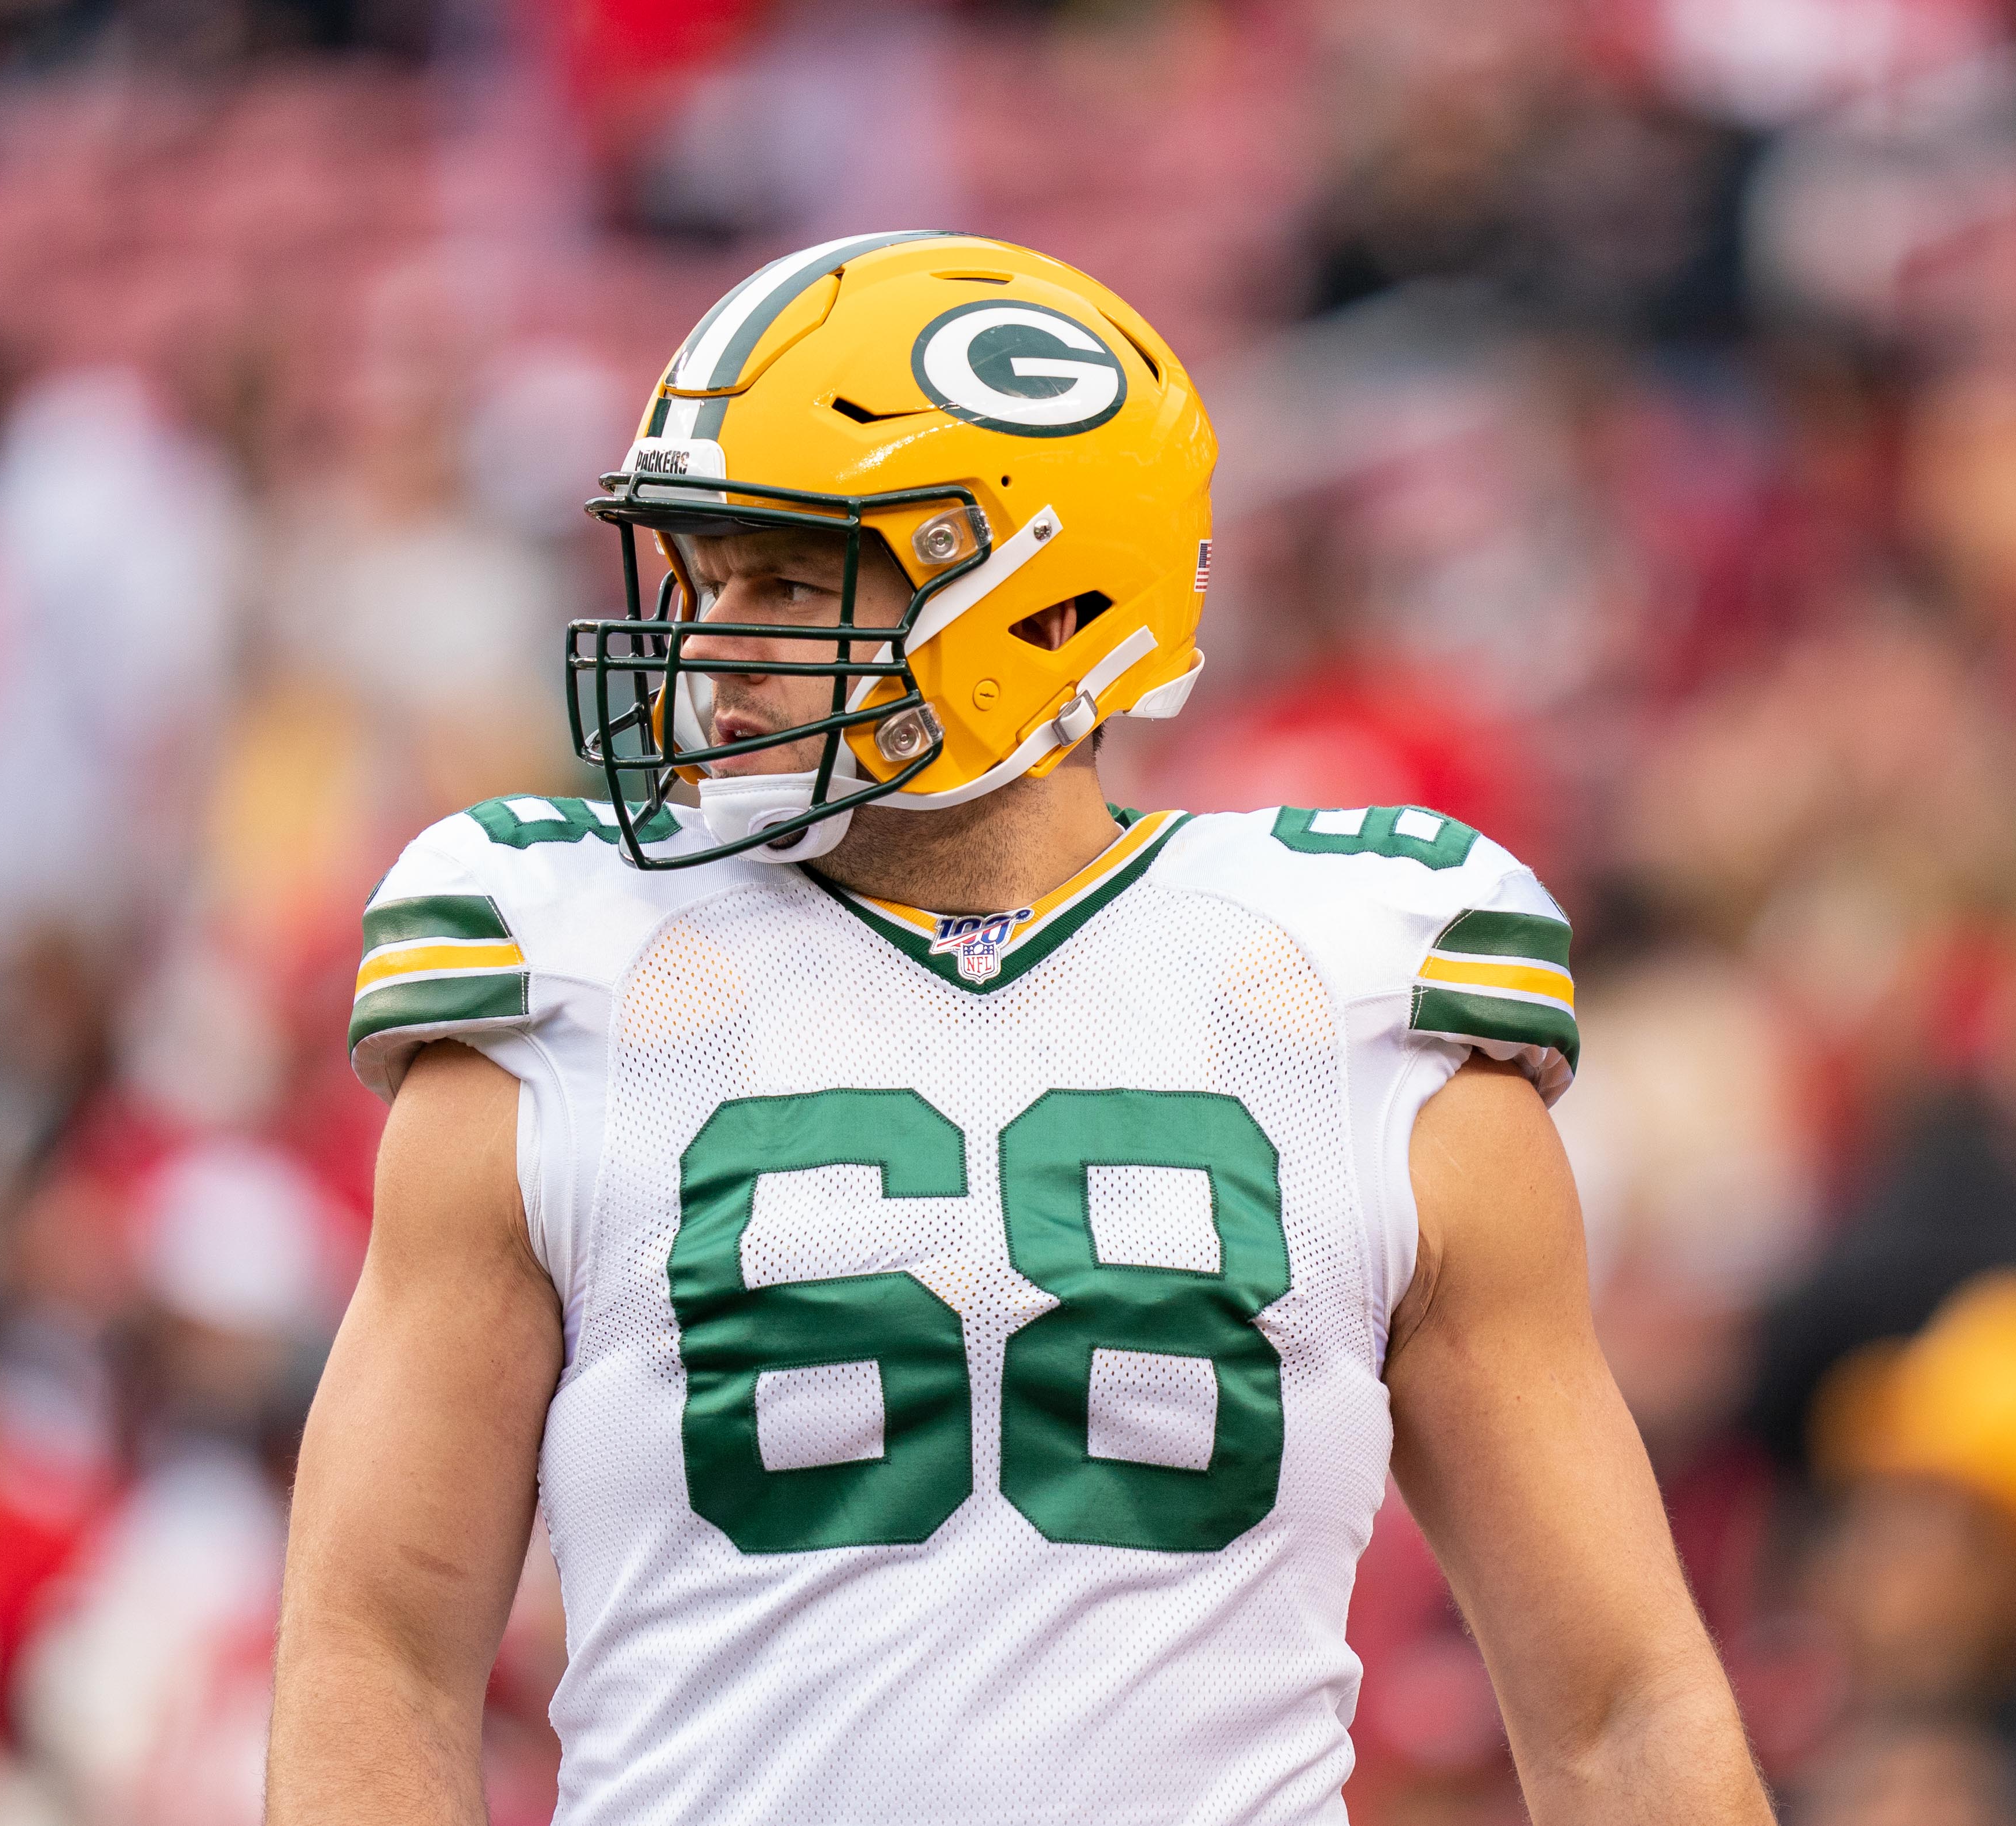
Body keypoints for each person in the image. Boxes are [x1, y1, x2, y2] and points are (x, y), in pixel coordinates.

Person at [267, 233, 1772, 1825]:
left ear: (1046, 606)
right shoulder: (568, 966)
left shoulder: (1357, 989)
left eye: (781, 575)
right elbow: (379, 1648)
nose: (708, 647)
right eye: (698, 575)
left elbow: (1618, 1706)